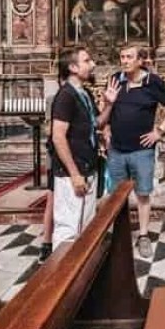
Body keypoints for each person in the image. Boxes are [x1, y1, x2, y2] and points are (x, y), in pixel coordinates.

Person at [103, 43, 165, 258]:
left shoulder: (152, 81)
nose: (125, 61)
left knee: (143, 194)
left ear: (140, 60)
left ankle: (144, 235)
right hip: (116, 149)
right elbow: (106, 107)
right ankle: (121, 234)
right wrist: (106, 127)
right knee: (116, 195)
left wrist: (159, 130)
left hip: (142, 149)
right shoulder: (115, 79)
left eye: (129, 57)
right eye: (122, 57)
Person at [49, 47, 106, 245]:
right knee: (68, 230)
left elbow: (97, 123)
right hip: (71, 172)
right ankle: (62, 265)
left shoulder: (84, 93)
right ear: (73, 67)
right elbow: (58, 137)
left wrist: (110, 104)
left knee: (85, 225)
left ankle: (83, 264)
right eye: (87, 61)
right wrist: (74, 174)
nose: (93, 65)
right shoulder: (66, 96)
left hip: (87, 167)